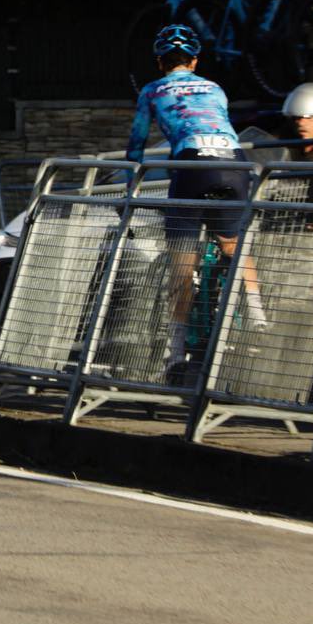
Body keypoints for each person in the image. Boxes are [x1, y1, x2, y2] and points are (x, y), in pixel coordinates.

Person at [124, 24, 267, 367]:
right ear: (195, 61)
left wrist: (131, 187)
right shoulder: (214, 87)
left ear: (160, 63)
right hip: (233, 162)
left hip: (191, 166)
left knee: (182, 262)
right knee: (233, 242)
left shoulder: (152, 90)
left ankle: (175, 351)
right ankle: (260, 316)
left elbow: (136, 145)